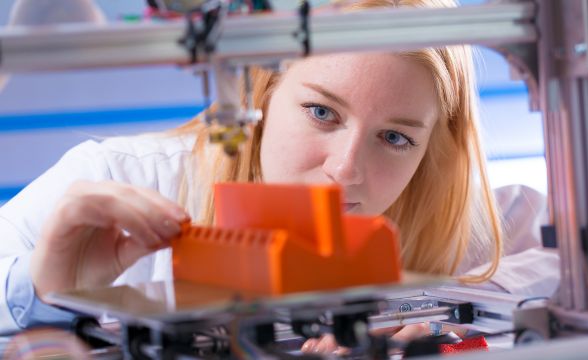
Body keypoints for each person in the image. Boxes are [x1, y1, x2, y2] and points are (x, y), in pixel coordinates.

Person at [0, 0, 559, 339]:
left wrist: (450, 309)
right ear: (263, 93)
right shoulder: (118, 182)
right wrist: (42, 289)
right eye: (322, 112)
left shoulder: (449, 215)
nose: (345, 171)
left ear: (431, 148)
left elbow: (586, 262)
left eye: (394, 138)